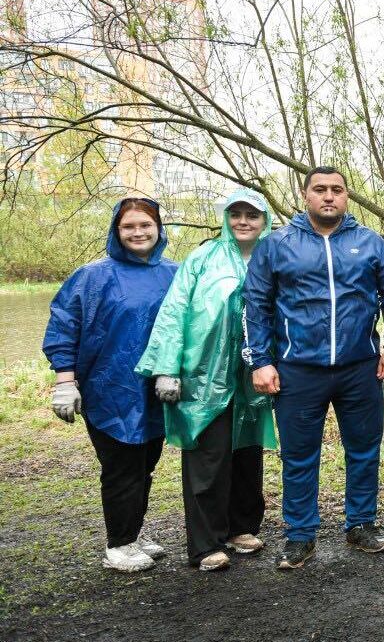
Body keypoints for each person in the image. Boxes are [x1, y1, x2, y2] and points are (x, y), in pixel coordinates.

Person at [243, 166, 384, 570]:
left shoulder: (370, 243)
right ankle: (300, 535)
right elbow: (255, 305)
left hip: (361, 367)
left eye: (337, 189)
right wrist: (260, 361)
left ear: (346, 196)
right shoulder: (277, 244)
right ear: (305, 196)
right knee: (299, 455)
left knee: (364, 450)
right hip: (298, 368)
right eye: (320, 190)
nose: (329, 196)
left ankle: (361, 524)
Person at [135, 189, 278, 572]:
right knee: (208, 456)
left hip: (252, 376)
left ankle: (240, 528)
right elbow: (175, 309)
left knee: (247, 451)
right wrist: (166, 367)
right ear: (226, 218)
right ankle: (205, 544)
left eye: (252, 214)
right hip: (204, 373)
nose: (244, 221)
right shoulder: (203, 257)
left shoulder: (273, 257)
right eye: (237, 214)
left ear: (265, 220)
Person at [43, 198, 177, 572]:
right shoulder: (92, 276)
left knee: (146, 463)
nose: (138, 232)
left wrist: (174, 368)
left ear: (158, 228)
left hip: (157, 389)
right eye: (129, 226)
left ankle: (132, 533)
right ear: (116, 232)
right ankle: (117, 545)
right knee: (121, 467)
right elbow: (63, 326)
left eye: (145, 225)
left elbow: (187, 327)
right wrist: (65, 381)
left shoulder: (175, 273)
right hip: (109, 388)